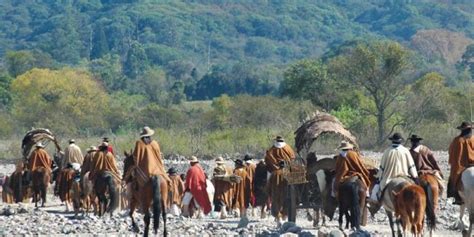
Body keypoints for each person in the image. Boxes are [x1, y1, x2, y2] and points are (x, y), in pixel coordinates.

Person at [369, 133, 418, 203]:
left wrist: (378, 177)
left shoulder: (387, 151)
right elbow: (411, 166)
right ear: (401, 141)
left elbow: (382, 167)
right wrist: (415, 177)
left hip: (388, 178)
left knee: (376, 189)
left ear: (392, 140)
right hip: (404, 177)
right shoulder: (405, 151)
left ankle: (374, 203)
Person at [264, 135, 296, 224]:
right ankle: (285, 213)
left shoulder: (272, 149)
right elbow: (293, 158)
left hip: (274, 171)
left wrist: (275, 165)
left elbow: (267, 158)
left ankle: (268, 195)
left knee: (269, 184)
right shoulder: (288, 148)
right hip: (288, 171)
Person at [448, 121, 474, 205]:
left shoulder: (457, 140)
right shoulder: (473, 139)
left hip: (461, 165)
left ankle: (455, 195)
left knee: (453, 176)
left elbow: (452, 154)